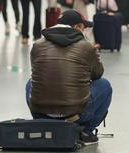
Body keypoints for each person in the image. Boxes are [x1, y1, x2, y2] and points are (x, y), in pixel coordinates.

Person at [26, 10, 113, 145]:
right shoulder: (86, 46)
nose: (85, 32)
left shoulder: (37, 45)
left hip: (41, 112)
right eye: (84, 28)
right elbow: (97, 74)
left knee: (30, 83)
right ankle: (86, 132)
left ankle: (43, 123)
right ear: (77, 27)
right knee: (104, 85)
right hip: (75, 115)